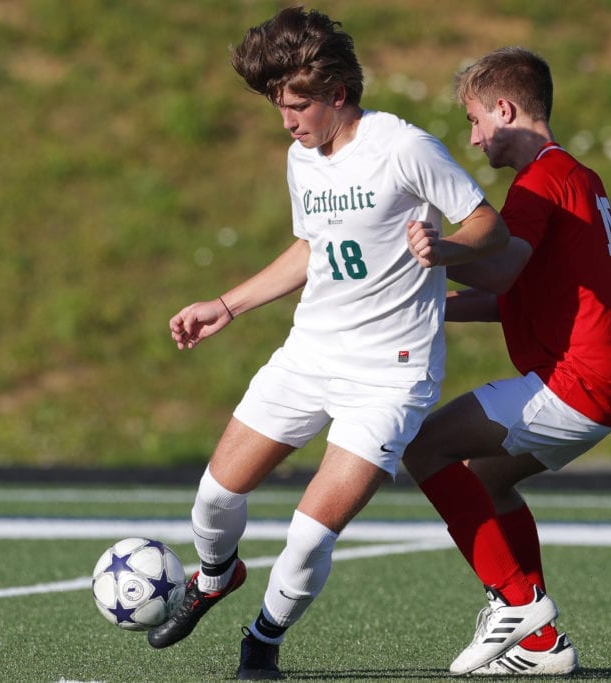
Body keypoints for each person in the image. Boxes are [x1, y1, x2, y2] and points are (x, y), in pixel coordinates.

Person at [150, 7, 510, 681]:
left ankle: (262, 641)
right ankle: (215, 575)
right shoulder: (301, 157)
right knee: (213, 499)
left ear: (338, 93)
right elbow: (312, 249)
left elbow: (490, 226)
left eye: (297, 105)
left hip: (389, 376)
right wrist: (226, 304)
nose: (287, 121)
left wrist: (446, 246)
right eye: (278, 107)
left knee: (309, 532)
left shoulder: (404, 146)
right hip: (309, 355)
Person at [401, 46, 611, 676]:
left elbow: (500, 266)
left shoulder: (539, 180)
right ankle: (540, 646)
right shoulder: (576, 176)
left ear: (505, 110)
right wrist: (427, 306)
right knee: (487, 478)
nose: (474, 136)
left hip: (575, 381)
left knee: (423, 447)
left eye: (477, 120)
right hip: (599, 383)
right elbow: (515, 291)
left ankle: (517, 605)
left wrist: (428, 253)